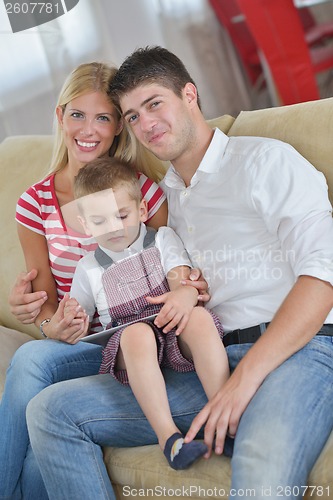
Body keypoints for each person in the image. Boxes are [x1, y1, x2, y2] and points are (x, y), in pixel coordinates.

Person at [26, 46, 333, 499]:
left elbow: (322, 278)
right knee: (51, 411)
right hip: (205, 358)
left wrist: (240, 385)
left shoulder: (266, 161)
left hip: (299, 351)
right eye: (131, 116)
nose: (146, 123)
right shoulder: (159, 204)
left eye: (154, 104)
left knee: (261, 461)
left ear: (189, 94)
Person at [0, 60, 168, 500]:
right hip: (81, 348)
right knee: (38, 444)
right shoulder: (34, 202)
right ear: (60, 117)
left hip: (139, 345)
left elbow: (171, 264)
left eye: (103, 117)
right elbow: (47, 302)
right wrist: (50, 325)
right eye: (77, 114)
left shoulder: (142, 194)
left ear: (118, 127)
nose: (88, 129)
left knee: (33, 363)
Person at [64, 157, 228, 470]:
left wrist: (184, 292)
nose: (113, 227)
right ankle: (170, 439)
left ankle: (224, 418)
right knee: (137, 334)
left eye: (121, 215)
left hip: (171, 326)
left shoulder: (162, 239)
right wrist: (70, 317)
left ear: (140, 211)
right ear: (85, 225)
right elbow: (79, 320)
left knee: (198, 317)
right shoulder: (87, 268)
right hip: (131, 343)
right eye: (99, 221)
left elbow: (181, 278)